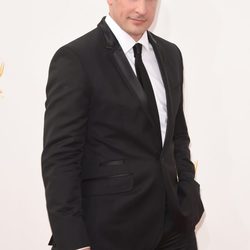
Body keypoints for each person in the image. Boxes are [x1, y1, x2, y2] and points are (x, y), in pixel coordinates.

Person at [41, 0, 204, 249]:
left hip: (175, 228)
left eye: (150, 0)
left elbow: (177, 134)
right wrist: (72, 239)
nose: (142, 9)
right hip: (109, 231)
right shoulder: (76, 58)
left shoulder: (171, 54)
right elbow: (61, 157)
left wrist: (189, 190)